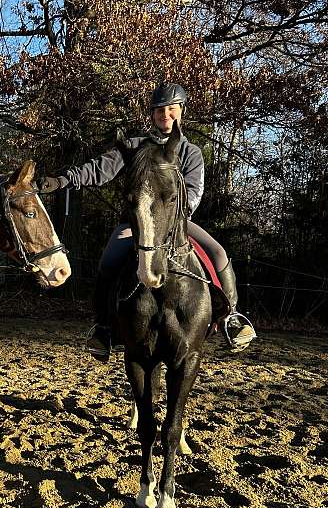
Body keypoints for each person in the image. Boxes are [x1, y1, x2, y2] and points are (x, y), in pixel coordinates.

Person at [40, 82, 257, 361]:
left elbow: (194, 191)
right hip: (136, 224)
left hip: (176, 222)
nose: (164, 114)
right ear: (152, 115)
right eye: (159, 110)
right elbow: (99, 169)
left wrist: (173, 218)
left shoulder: (191, 153)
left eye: (171, 109)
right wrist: (63, 180)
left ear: (181, 112)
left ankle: (232, 317)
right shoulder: (134, 147)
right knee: (109, 259)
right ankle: (104, 327)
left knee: (218, 253)